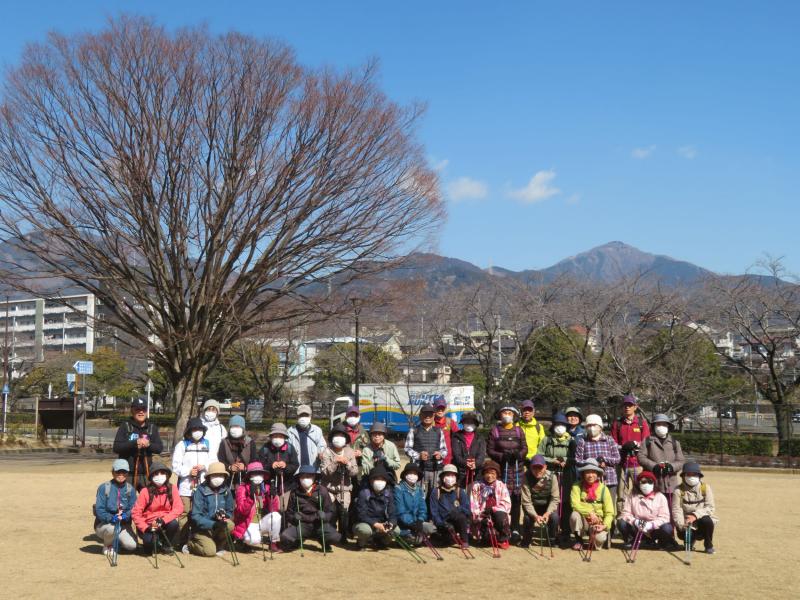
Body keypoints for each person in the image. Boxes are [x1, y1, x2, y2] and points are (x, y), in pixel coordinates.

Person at [172, 417, 217, 548]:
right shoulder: (182, 445)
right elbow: (175, 466)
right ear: (189, 431)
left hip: (204, 485)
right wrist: (188, 471)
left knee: (202, 511)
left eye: (200, 429)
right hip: (186, 486)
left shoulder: (208, 444)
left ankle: (201, 539)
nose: (197, 431)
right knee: (185, 512)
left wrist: (205, 466)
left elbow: (214, 461)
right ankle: (182, 541)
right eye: (194, 429)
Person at [486, 405, 527, 544]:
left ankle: (515, 528)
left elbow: (524, 448)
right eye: (505, 413)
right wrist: (502, 456)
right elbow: (490, 450)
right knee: (500, 499)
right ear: (500, 415)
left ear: (514, 416)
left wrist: (518, 454)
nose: (507, 415)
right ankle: (502, 528)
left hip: (516, 470)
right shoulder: (495, 431)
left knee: (516, 499)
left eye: (510, 413)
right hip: (501, 468)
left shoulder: (519, 430)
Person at [281, 465, 341, 552]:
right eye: (303, 476)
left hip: (319, 524)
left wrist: (324, 516)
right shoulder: (294, 493)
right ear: (299, 478)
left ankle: (323, 541)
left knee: (335, 537)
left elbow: (330, 511)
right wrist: (294, 517)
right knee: (285, 536)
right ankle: (299, 541)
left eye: (309, 476)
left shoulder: (322, 491)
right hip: (302, 524)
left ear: (314, 477)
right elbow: (289, 513)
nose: (305, 479)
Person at [112, 397, 164, 490]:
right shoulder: (125, 426)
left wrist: (149, 445)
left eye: (143, 409)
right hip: (127, 473)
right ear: (132, 411)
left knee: (149, 501)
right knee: (126, 502)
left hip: (146, 473)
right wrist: (134, 443)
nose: (141, 412)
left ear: (146, 411)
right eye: (137, 409)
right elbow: (116, 447)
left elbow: (159, 448)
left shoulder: (152, 428)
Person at [538, 411, 574, 544]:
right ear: (553, 426)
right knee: (551, 501)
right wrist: (552, 460)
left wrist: (565, 459)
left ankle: (565, 532)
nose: (560, 427)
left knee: (565, 503)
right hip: (550, 475)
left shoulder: (572, 441)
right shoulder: (546, 440)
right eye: (557, 424)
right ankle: (551, 531)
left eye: (563, 424)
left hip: (566, 475)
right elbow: (539, 456)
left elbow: (575, 457)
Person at [131, 461, 183, 553]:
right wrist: (145, 527)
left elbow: (178, 508)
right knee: (149, 548)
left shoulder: (172, 489)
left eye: (162, 473)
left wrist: (163, 520)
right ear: (151, 477)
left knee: (174, 523)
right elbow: (136, 513)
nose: (159, 476)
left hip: (165, 522)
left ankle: (166, 544)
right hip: (149, 524)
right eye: (156, 474)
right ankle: (154, 540)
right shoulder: (145, 491)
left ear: (167, 475)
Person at [617, 470, 676, 550]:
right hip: (637, 527)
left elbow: (665, 517)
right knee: (621, 522)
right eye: (643, 482)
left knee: (667, 527)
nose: (646, 484)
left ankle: (661, 543)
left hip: (654, 528)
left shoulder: (660, 496)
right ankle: (632, 540)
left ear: (654, 483)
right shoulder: (632, 495)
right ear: (638, 483)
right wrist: (635, 521)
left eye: (650, 482)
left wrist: (651, 525)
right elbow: (625, 514)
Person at [610, 394, 651, 508]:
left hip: (637, 463)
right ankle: (621, 519)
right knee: (621, 493)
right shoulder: (617, 424)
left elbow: (646, 442)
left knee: (640, 490)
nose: (627, 407)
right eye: (625, 405)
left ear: (635, 407)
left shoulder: (642, 423)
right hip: (621, 463)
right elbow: (612, 443)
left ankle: (639, 516)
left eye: (630, 405)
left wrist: (635, 445)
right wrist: (623, 447)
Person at [233, 461, 282, 553]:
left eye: (260, 473)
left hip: (260, 522)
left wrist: (273, 496)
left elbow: (274, 509)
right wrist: (251, 498)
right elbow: (241, 511)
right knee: (255, 540)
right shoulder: (242, 488)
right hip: (247, 523)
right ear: (249, 475)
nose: (258, 476)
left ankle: (273, 544)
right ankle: (241, 540)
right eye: (255, 473)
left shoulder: (265, 488)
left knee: (276, 516)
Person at [320, 424, 359, 539]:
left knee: (344, 512)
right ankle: (330, 534)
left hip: (345, 488)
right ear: (331, 438)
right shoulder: (327, 451)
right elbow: (325, 471)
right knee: (330, 512)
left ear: (346, 439)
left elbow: (354, 471)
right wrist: (335, 462)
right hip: (329, 488)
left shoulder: (350, 452)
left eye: (341, 435)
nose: (338, 438)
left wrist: (347, 464)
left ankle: (344, 534)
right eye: (336, 435)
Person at [188, 462, 235, 557]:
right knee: (209, 552)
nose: (218, 477)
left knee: (230, 525)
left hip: (217, 525)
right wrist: (213, 524)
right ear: (209, 476)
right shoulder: (200, 490)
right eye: (215, 475)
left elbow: (230, 510)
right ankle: (190, 543)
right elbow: (195, 515)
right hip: (202, 529)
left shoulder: (226, 490)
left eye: (221, 475)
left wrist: (225, 516)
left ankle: (219, 545)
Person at [94, 458, 138, 555]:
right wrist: (111, 518)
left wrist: (125, 516)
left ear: (127, 473)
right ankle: (108, 545)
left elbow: (133, 508)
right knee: (112, 529)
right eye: (118, 471)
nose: (121, 475)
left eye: (124, 472)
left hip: (123, 524)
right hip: (104, 524)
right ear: (113, 472)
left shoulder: (131, 489)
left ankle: (117, 541)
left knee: (132, 546)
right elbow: (99, 509)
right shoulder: (104, 487)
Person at [569, 459, 615, 551]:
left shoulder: (604, 489)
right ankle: (579, 540)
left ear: (598, 474)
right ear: (583, 474)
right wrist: (589, 513)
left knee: (599, 540)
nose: (590, 475)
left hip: (598, 521)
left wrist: (604, 525)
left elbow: (610, 512)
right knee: (574, 515)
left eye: (593, 472)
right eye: (587, 472)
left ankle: (596, 538)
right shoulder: (576, 486)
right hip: (583, 519)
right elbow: (574, 504)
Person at [574, 414, 621, 502]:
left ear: (600, 427)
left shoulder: (609, 440)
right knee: (593, 507)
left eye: (594, 425)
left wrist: (604, 460)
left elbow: (617, 458)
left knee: (610, 507)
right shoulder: (582, 441)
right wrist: (593, 463)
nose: (592, 428)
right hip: (590, 481)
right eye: (589, 426)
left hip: (609, 480)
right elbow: (577, 460)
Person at [672, 462, 716, 554]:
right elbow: (677, 510)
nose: (691, 477)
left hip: (701, 520)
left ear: (699, 476)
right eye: (688, 474)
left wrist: (695, 516)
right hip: (686, 522)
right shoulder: (678, 490)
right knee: (685, 540)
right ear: (683, 476)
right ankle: (690, 541)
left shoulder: (705, 488)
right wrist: (681, 525)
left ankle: (708, 545)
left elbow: (710, 508)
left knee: (707, 521)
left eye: (694, 474)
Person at [404, 403, 447, 494]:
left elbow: (444, 449)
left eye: (430, 414)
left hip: (436, 469)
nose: (427, 416)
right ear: (420, 416)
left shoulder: (439, 431)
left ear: (434, 416)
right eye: (425, 414)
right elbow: (407, 449)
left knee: (434, 496)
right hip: (419, 469)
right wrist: (418, 456)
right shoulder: (413, 431)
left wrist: (441, 455)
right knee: (419, 495)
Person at [637, 414, 685, 496]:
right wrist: (654, 466)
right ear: (654, 426)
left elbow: (681, 460)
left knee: (670, 508)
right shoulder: (647, 441)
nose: (661, 427)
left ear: (668, 427)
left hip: (670, 484)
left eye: (664, 424)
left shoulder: (675, 442)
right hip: (652, 482)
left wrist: (671, 467)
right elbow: (641, 456)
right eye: (658, 424)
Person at [470, 460, 512, 549]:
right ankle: (486, 538)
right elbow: (473, 503)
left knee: (500, 516)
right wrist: (480, 513)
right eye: (487, 473)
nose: (489, 476)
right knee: (486, 539)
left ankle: (503, 539)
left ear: (497, 474)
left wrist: (493, 509)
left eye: (493, 473)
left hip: (497, 512)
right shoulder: (477, 486)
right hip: (483, 514)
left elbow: (506, 503)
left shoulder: (501, 485)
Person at [354, 465, 397, 550]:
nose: (380, 481)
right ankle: (362, 542)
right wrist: (376, 524)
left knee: (396, 530)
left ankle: (381, 542)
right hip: (365, 523)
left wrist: (391, 524)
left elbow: (393, 513)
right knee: (364, 530)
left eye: (382, 479)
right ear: (370, 480)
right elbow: (361, 515)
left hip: (382, 523)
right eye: (377, 479)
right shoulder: (364, 493)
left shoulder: (389, 494)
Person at [520, 455, 560, 547]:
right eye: (534, 468)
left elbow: (555, 498)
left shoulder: (552, 477)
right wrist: (535, 516)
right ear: (530, 467)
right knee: (527, 518)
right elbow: (526, 501)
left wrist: (548, 513)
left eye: (540, 467)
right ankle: (526, 539)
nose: (537, 471)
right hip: (532, 506)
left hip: (547, 506)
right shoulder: (525, 477)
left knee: (554, 517)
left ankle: (552, 540)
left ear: (545, 467)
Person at [429, 464, 471, 547]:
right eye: (448, 475)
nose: (450, 478)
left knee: (462, 517)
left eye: (452, 475)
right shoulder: (436, 491)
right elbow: (434, 511)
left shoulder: (460, 491)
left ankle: (464, 540)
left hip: (457, 521)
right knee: (447, 541)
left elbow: (467, 510)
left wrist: (457, 509)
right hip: (443, 522)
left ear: (456, 478)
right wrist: (441, 523)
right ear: (443, 477)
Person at [394, 462, 437, 541]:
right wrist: (412, 523)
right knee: (414, 539)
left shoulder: (419, 490)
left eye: (415, 474)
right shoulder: (398, 489)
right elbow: (400, 511)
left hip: (416, 521)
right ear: (405, 475)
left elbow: (423, 508)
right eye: (410, 473)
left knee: (432, 529)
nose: (412, 476)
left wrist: (420, 520)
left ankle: (415, 535)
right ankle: (404, 535)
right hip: (402, 523)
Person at [258, 422, 299, 497]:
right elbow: (259, 466)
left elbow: (295, 465)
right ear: (271, 437)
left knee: (285, 506)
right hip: (269, 485)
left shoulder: (290, 448)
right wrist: (271, 466)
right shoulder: (265, 448)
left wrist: (286, 466)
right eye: (275, 436)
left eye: (280, 436)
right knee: (270, 506)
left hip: (287, 485)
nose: (277, 438)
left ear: (284, 437)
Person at [217, 415, 257, 488]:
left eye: (238, 426)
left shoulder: (250, 442)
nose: (235, 429)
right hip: (228, 482)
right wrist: (229, 467)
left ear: (243, 429)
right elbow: (220, 460)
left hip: (246, 481)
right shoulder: (224, 443)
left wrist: (245, 467)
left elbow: (254, 461)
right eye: (233, 426)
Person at [450, 411, 486, 487]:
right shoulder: (456, 437)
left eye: (471, 422)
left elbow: (481, 454)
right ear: (462, 423)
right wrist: (465, 463)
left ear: (476, 424)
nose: (469, 424)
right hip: (460, 471)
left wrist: (475, 464)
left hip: (476, 472)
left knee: (474, 494)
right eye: (466, 422)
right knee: (461, 494)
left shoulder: (480, 438)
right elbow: (456, 454)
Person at [288, 404, 327, 472]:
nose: (303, 418)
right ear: (297, 417)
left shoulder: (317, 430)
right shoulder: (290, 432)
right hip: (296, 471)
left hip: (313, 470)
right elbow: (287, 450)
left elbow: (322, 445)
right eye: (301, 415)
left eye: (306, 415)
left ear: (310, 416)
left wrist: (321, 452)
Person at [433, 397, 459, 465]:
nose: (440, 410)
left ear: (446, 409)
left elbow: (459, 437)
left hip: (448, 460)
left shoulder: (450, 422)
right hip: (433, 459)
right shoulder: (430, 423)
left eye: (442, 408)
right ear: (433, 407)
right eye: (438, 408)